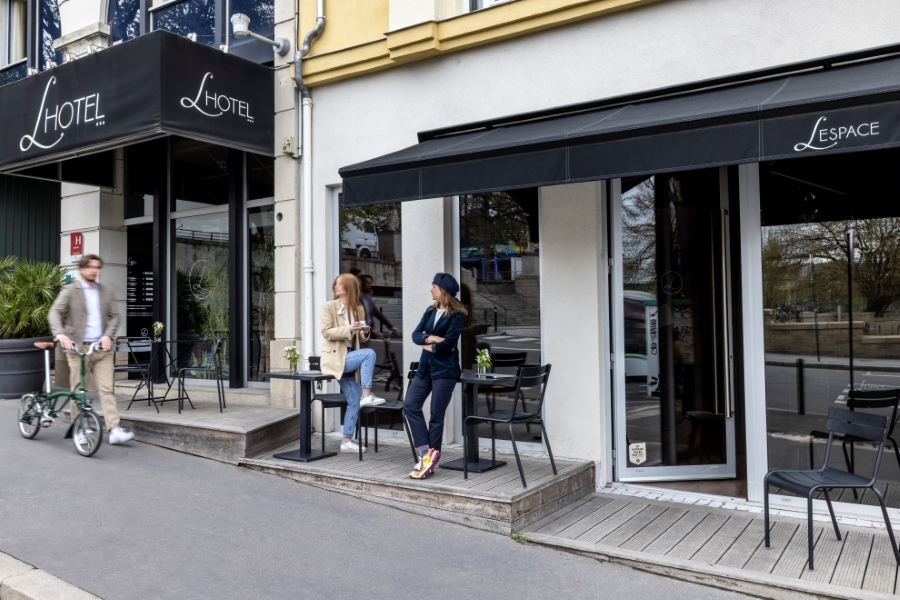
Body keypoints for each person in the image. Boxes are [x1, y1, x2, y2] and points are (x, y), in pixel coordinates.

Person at [48, 254, 135, 445]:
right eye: (89, 267)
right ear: (81, 269)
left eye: (96, 267)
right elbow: (55, 311)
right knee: (79, 390)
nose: (93, 270)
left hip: (101, 349)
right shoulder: (71, 290)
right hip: (78, 348)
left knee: (107, 389)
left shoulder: (106, 292)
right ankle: (79, 427)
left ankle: (114, 429)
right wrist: (60, 334)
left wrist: (107, 336)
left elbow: (115, 317)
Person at [403, 273, 467, 480]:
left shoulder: (457, 314)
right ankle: (425, 452)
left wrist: (430, 344)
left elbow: (450, 344)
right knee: (410, 405)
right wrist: (432, 338)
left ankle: (430, 458)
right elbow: (415, 335)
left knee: (436, 415)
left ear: (442, 291)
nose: (431, 290)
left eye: (434, 287)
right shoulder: (430, 310)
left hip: (445, 371)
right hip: (425, 369)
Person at [320, 273, 386, 453]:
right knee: (369, 354)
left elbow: (361, 338)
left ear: (349, 287)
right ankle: (367, 394)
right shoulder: (329, 307)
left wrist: (364, 331)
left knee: (353, 402)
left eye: (339, 284)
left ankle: (346, 441)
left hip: (351, 356)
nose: (336, 287)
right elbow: (326, 332)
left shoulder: (358, 309)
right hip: (336, 358)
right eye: (335, 284)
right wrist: (349, 328)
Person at [358, 274, 401, 340]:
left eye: (370, 283)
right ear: (361, 284)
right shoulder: (357, 299)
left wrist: (391, 327)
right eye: (368, 283)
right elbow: (358, 319)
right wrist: (372, 331)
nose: (370, 285)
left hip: (368, 335)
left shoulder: (368, 299)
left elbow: (378, 314)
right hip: (359, 335)